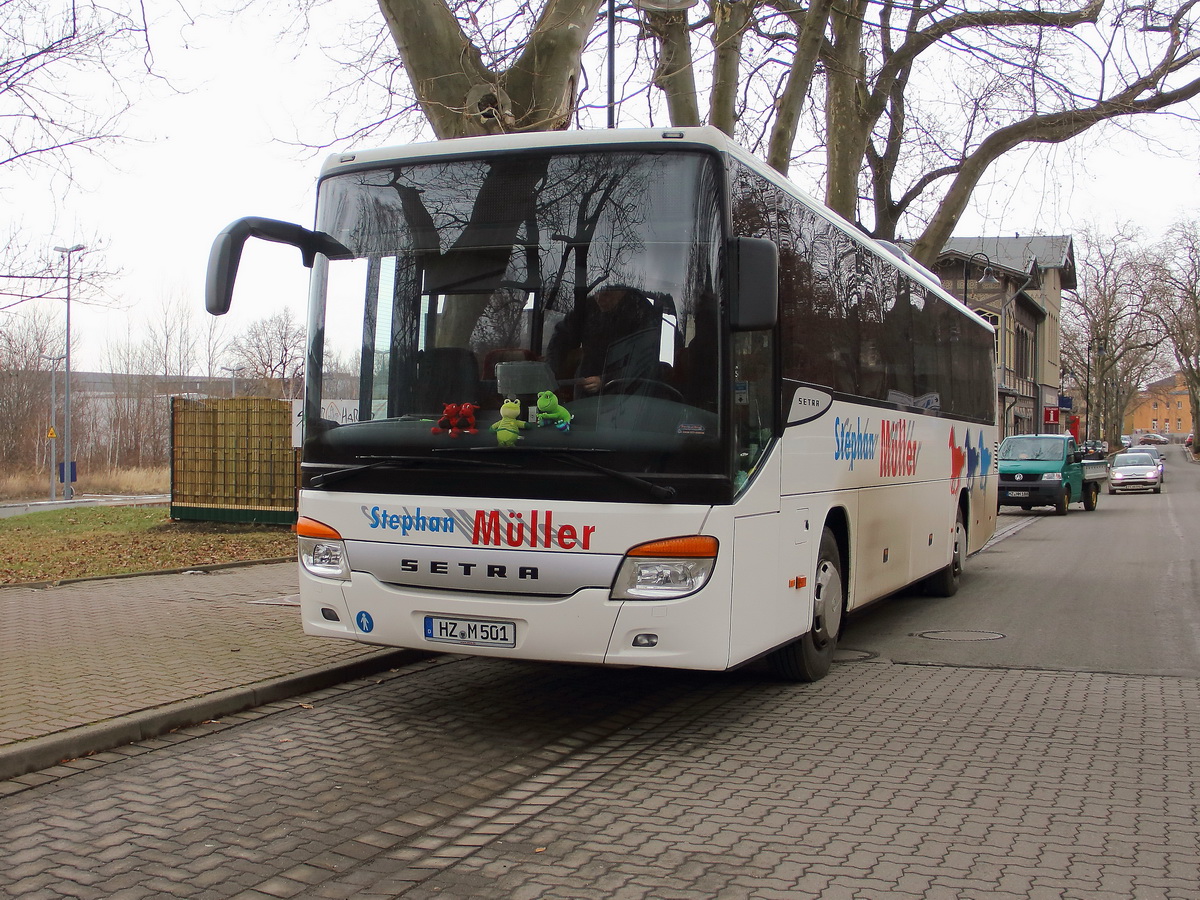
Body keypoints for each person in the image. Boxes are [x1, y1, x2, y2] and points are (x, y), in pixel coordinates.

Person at [545, 285, 659, 395]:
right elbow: (560, 339)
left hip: (628, 394)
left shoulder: (639, 309)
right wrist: (550, 373)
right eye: (597, 293)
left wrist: (605, 380)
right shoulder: (587, 307)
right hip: (585, 388)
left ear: (621, 294)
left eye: (606, 295)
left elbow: (643, 362)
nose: (600, 299)